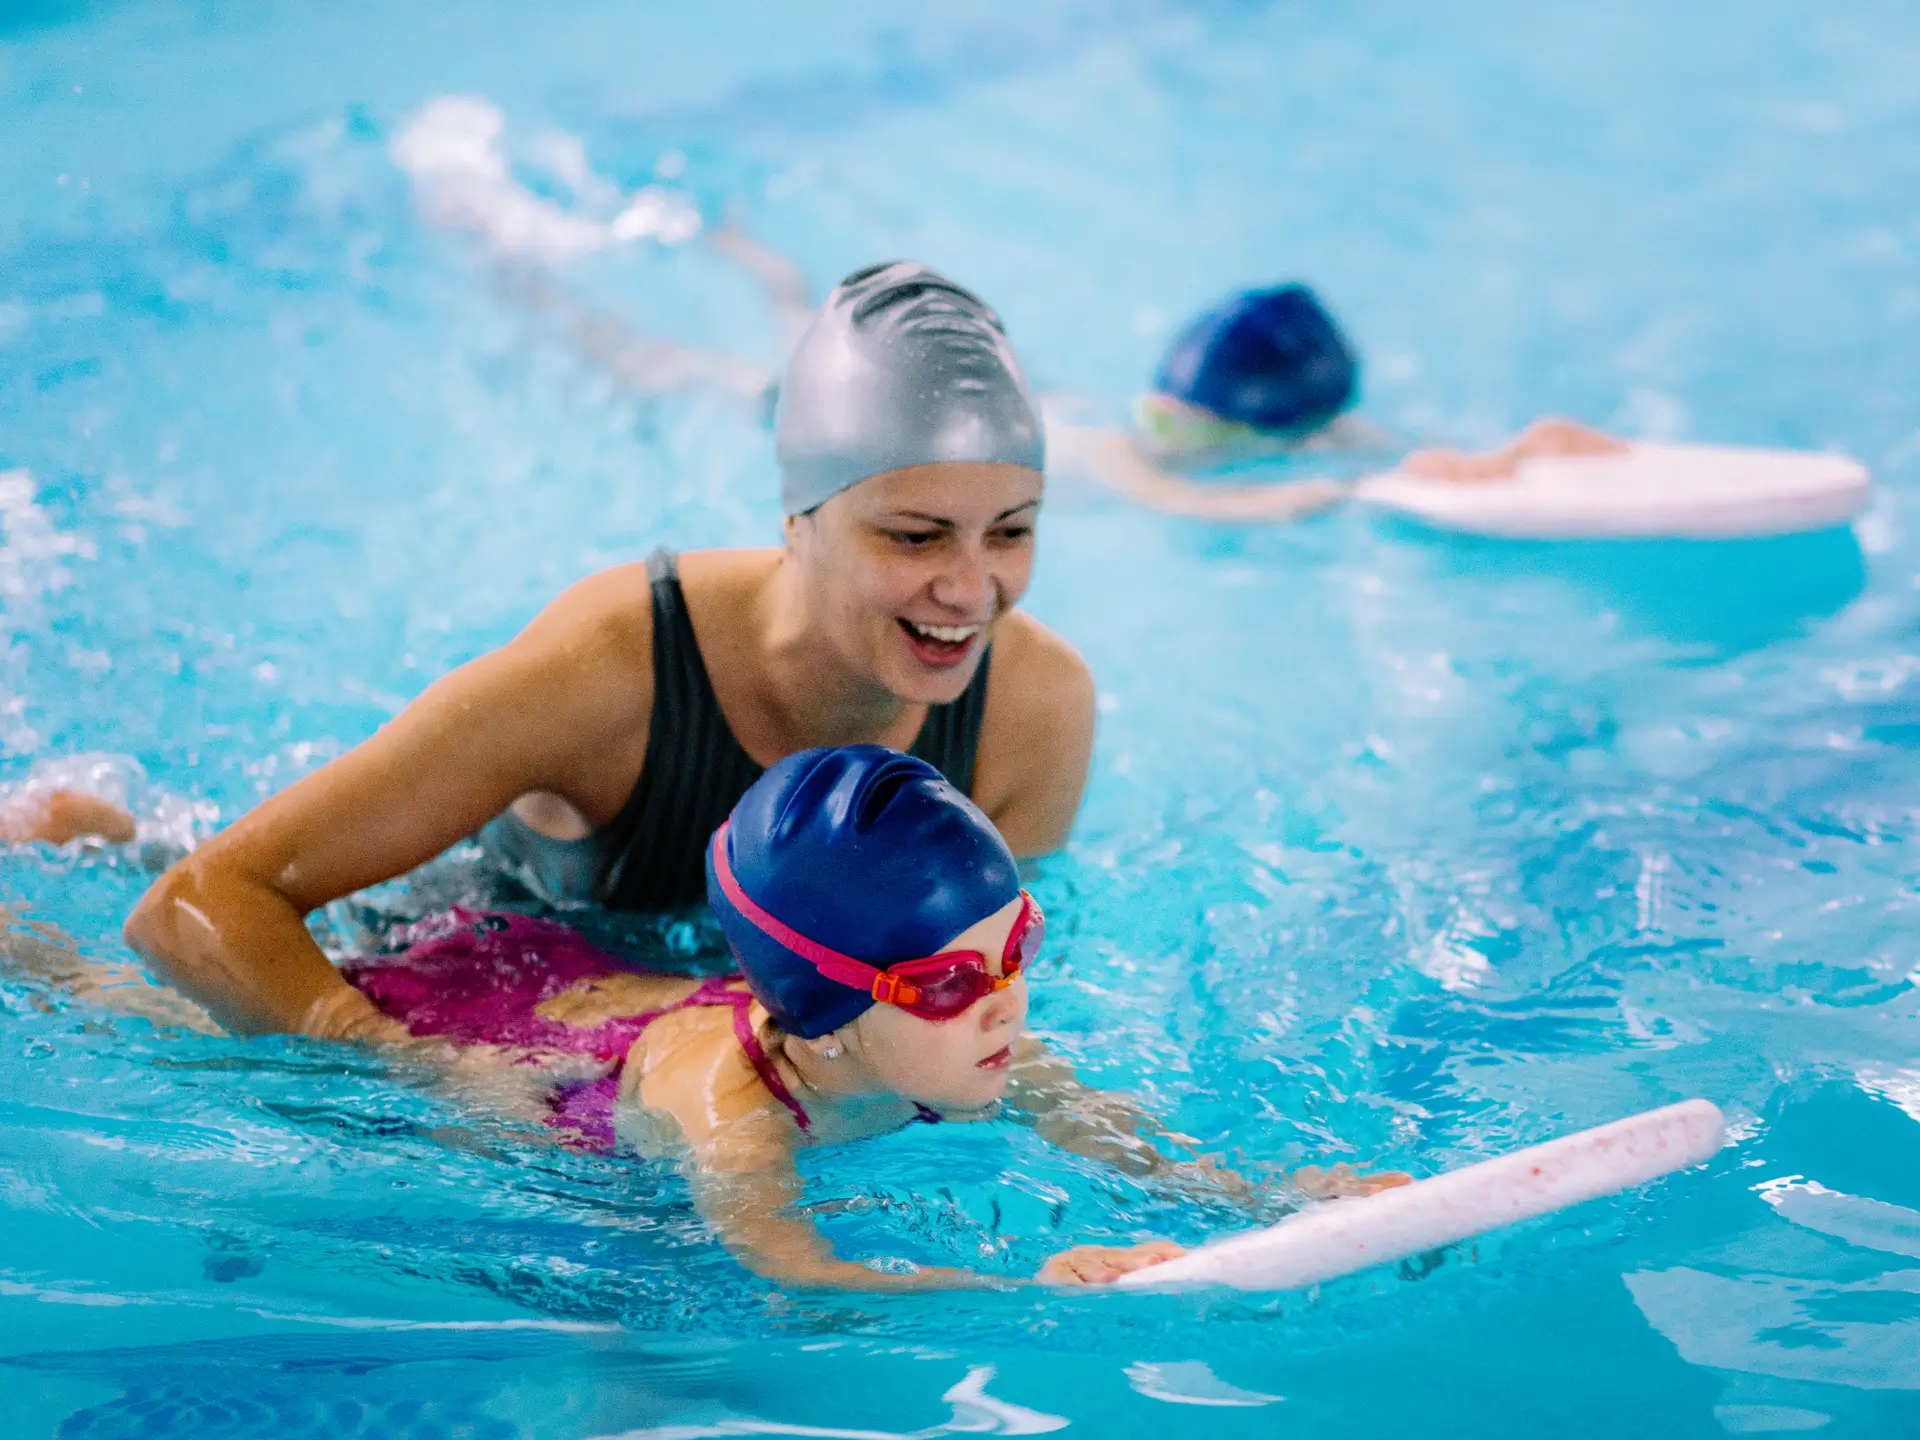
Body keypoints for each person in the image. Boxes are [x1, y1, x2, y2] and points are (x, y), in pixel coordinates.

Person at [116, 259, 1096, 1045]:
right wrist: (418, 1077)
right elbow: (199, 904)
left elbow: (973, 1000)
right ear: (798, 519)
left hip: (698, 1030)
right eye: (916, 537)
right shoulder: (610, 672)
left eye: (1011, 532)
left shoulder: (1033, 709)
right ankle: (103, 833)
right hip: (463, 960)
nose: (973, 590)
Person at [3, 746, 1408, 1290]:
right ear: (830, 1006)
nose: (1007, 1003)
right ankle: (43, 920)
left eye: (1016, 946)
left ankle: (113, 831)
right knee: (174, 1024)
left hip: (551, 959)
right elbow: (800, 1282)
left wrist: (1286, 1196)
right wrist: (1032, 1294)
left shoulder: (970, 1037)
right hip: (471, 1032)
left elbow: (1135, 1148)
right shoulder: (733, 1119)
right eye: (952, 981)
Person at [1047, 283, 1627, 522]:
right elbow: (1184, 500)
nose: (1163, 437)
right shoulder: (1109, 446)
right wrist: (1326, 496)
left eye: (1193, 433)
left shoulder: (1319, 433)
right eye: (1159, 418)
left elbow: (1410, 453)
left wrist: (1517, 454)